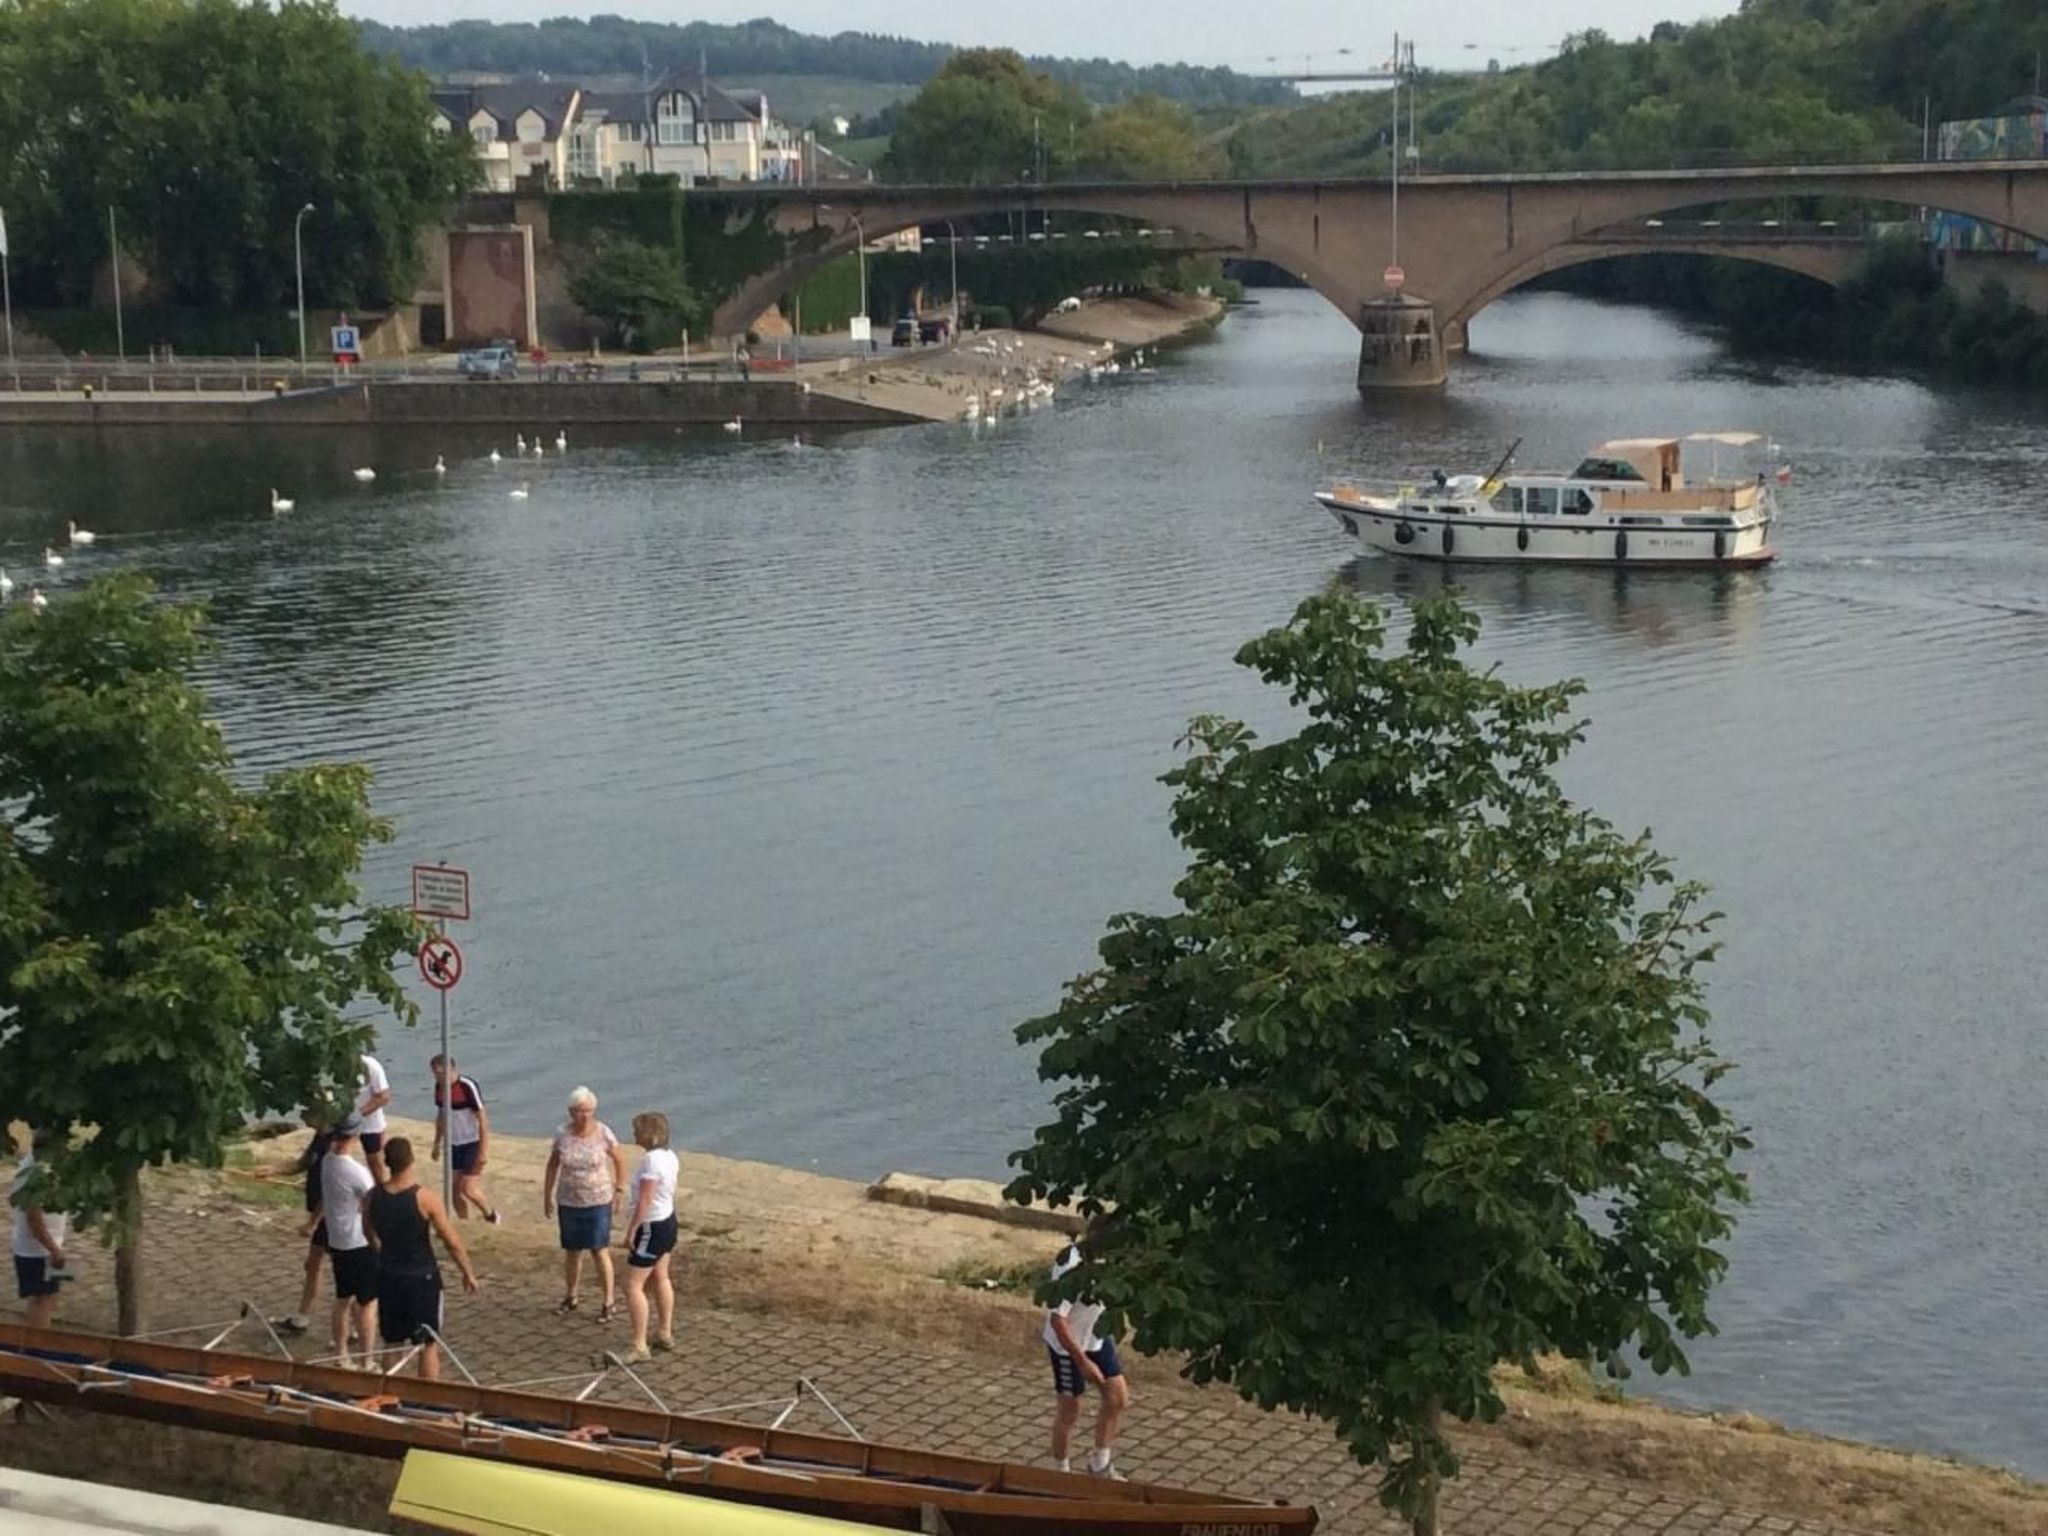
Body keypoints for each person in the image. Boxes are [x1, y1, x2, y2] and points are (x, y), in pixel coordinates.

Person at [365, 1136, 480, 1380]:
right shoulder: (424, 1198)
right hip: (421, 1277)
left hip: (388, 1273)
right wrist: (467, 1271)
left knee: (392, 1341)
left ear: (387, 1163)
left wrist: (380, 1249)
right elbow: (450, 1239)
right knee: (427, 1342)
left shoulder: (373, 1196)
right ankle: (427, 1397)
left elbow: (368, 1230)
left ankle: (391, 1392)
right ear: (411, 1161)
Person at [1042, 1224, 1130, 1479]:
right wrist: (1081, 1362)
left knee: (1117, 1397)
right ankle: (1062, 1475)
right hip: (1068, 1346)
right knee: (1070, 1410)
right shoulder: (1072, 1268)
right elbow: (1059, 1321)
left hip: (1096, 1337)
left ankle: (1099, 1465)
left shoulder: (1112, 1263)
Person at [542, 1087, 626, 1320]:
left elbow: (619, 1159)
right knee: (572, 1251)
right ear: (571, 1112)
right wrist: (547, 1194)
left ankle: (608, 1301)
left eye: (589, 1110)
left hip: (598, 1200)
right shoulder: (562, 1134)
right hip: (569, 1200)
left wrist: (619, 1189)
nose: (585, 1115)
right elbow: (552, 1164)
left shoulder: (604, 1133)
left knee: (600, 1250)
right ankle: (571, 1296)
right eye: (580, 1111)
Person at [317, 1115, 378, 1368]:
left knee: (343, 1298)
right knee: (367, 1303)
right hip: (358, 1242)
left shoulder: (327, 1162)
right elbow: (371, 1208)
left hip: (337, 1238)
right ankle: (367, 1359)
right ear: (355, 1137)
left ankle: (341, 1354)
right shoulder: (356, 1172)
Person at [619, 1112, 679, 1362]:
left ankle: (639, 1344)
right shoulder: (670, 1157)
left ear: (650, 1134)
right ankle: (664, 1331)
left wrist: (632, 1230)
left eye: (638, 1130)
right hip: (668, 1220)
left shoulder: (651, 1162)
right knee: (660, 1276)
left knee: (632, 1284)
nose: (634, 1134)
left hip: (652, 1225)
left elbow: (645, 1199)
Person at [274, 1112, 338, 1335]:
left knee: (344, 1272)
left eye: (309, 1111)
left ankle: (352, 1326)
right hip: (323, 1217)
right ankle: (302, 1317)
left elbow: (329, 1191)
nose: (303, 1114)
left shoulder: (332, 1146)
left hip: (332, 1218)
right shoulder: (319, 1138)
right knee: (312, 1265)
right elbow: (302, 1163)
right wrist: (273, 1170)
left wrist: (312, 1222)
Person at [10, 1128, 71, 1330]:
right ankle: (37, 1349)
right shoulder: (32, 1174)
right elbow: (33, 1220)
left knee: (50, 1297)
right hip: (36, 1250)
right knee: (40, 1300)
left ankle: (43, 1340)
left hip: (52, 1244)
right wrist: (54, 1249)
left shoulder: (45, 1168)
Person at [430, 1055, 500, 1224]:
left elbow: (482, 1119)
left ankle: (490, 1214)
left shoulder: (467, 1086)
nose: (439, 1077)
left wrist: (483, 1151)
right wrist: (437, 1143)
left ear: (452, 1070)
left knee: (468, 1187)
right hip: (453, 1143)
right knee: (454, 1189)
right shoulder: (439, 1088)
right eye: (435, 1074)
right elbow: (441, 1115)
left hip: (472, 1142)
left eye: (441, 1073)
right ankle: (464, 1221)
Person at [356, 1052, 392, 1184]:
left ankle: (382, 1189)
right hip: (345, 1121)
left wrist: (358, 1114)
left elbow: (384, 1096)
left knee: (375, 1161)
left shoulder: (371, 1066)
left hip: (370, 1124)